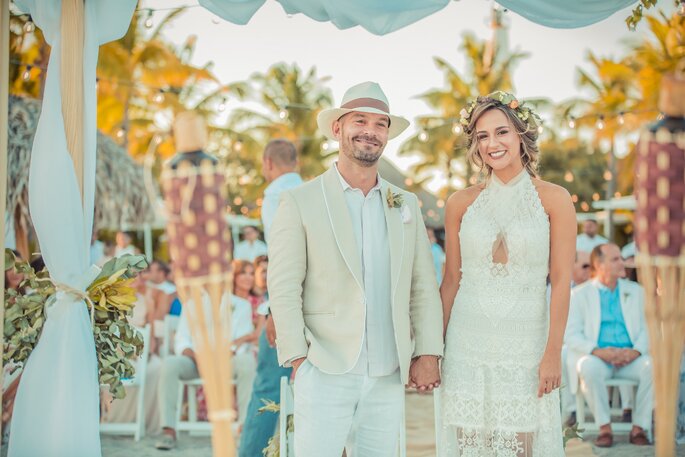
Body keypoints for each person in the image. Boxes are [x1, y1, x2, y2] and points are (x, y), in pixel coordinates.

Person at [268, 81, 443, 457]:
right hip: (325, 365)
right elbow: (283, 286)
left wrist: (427, 351)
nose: (370, 131)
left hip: (388, 370)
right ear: (337, 129)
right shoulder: (299, 200)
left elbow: (423, 286)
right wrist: (299, 358)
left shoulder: (406, 203)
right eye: (360, 121)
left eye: (381, 125)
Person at [439, 92, 575, 455]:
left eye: (501, 132)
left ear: (521, 135)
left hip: (526, 347)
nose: (492, 144)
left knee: (520, 447)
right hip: (467, 345)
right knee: (470, 447)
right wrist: (432, 351)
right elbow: (451, 281)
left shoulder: (555, 199)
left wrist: (552, 352)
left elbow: (561, 281)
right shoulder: (459, 203)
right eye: (482, 136)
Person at [239, 139, 303, 457]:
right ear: (296, 162)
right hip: (314, 306)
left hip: (285, 304)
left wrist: (274, 309)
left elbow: (281, 256)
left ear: (267, 162)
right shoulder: (308, 191)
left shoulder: (275, 195)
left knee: (267, 387)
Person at [566, 243, 652, 448]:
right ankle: (604, 427)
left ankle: (639, 427)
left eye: (621, 258)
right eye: (616, 259)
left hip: (630, 357)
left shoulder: (637, 291)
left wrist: (635, 351)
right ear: (600, 264)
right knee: (586, 366)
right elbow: (571, 334)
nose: (622, 262)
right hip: (599, 357)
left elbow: (648, 329)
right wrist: (598, 351)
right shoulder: (579, 294)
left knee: (654, 367)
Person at [154, 290, 256, 450]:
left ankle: (244, 430)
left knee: (247, 361)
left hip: (227, 360)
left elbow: (242, 341)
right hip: (196, 361)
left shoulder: (242, 305)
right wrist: (199, 358)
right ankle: (169, 431)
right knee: (170, 363)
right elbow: (182, 340)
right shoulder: (191, 305)